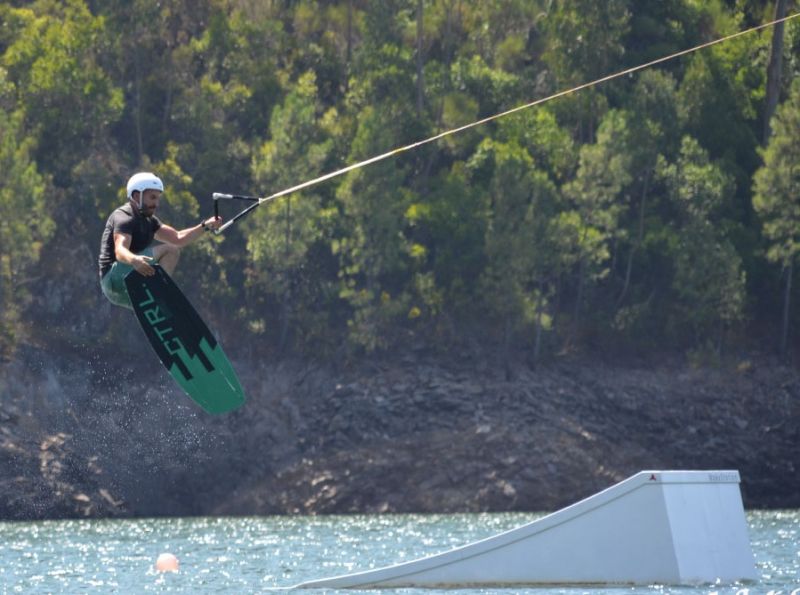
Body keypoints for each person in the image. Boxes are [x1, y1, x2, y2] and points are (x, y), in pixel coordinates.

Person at [98, 172, 222, 309]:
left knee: (173, 248)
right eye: (152, 197)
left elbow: (178, 238)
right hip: (114, 277)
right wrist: (134, 260)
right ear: (136, 196)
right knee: (170, 250)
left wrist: (205, 226)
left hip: (120, 292)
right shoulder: (124, 217)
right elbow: (120, 250)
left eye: (158, 199)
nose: (156, 203)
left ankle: (154, 305)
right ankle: (158, 293)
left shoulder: (150, 221)